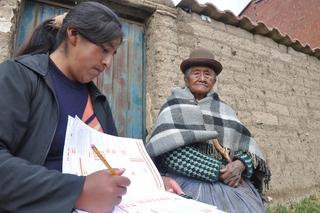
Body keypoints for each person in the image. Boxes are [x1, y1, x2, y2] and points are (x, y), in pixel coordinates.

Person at [0, 2, 131, 213]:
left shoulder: (98, 102)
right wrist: (76, 191)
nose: (107, 62)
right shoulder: (18, 77)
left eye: (112, 54)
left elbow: (115, 163)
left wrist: (155, 181)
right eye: (104, 49)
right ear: (73, 35)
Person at [145, 47, 271, 213]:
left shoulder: (225, 111)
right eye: (196, 73)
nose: (202, 78)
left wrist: (240, 165)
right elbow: (169, 153)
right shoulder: (173, 106)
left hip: (231, 182)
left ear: (214, 81)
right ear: (186, 78)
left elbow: (250, 151)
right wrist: (220, 170)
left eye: (208, 74)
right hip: (186, 182)